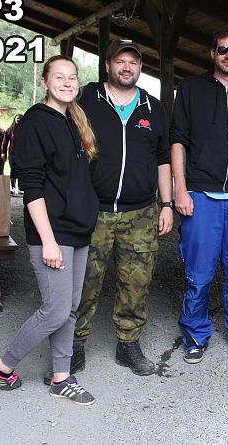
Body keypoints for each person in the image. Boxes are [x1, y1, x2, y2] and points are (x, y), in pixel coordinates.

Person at [0, 55, 99, 405]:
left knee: (70, 307)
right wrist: (48, 241)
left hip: (77, 231)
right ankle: (3, 365)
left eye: (72, 77)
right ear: (45, 82)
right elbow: (31, 186)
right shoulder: (35, 122)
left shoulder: (73, 120)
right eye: (59, 77)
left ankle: (61, 377)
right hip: (53, 232)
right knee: (56, 309)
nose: (66, 83)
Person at [68, 39, 173, 377]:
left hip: (140, 212)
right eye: (120, 61)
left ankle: (128, 344)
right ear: (108, 65)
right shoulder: (86, 99)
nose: (127, 68)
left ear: (140, 67)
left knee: (135, 283)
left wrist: (167, 204)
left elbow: (163, 159)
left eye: (133, 62)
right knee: (83, 282)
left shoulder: (153, 107)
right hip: (92, 211)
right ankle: (73, 346)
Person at [169, 28, 228, 364]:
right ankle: (195, 335)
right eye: (223, 49)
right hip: (201, 194)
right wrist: (180, 189)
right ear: (212, 53)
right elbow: (177, 140)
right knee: (198, 272)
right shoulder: (191, 88)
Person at [1, 113, 23, 195]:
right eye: (17, 118)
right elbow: (4, 142)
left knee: (21, 170)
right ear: (14, 119)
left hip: (22, 153)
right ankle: (13, 187)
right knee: (13, 169)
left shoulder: (26, 129)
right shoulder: (10, 130)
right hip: (12, 153)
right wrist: (3, 152)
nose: (18, 120)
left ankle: (20, 187)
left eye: (20, 119)